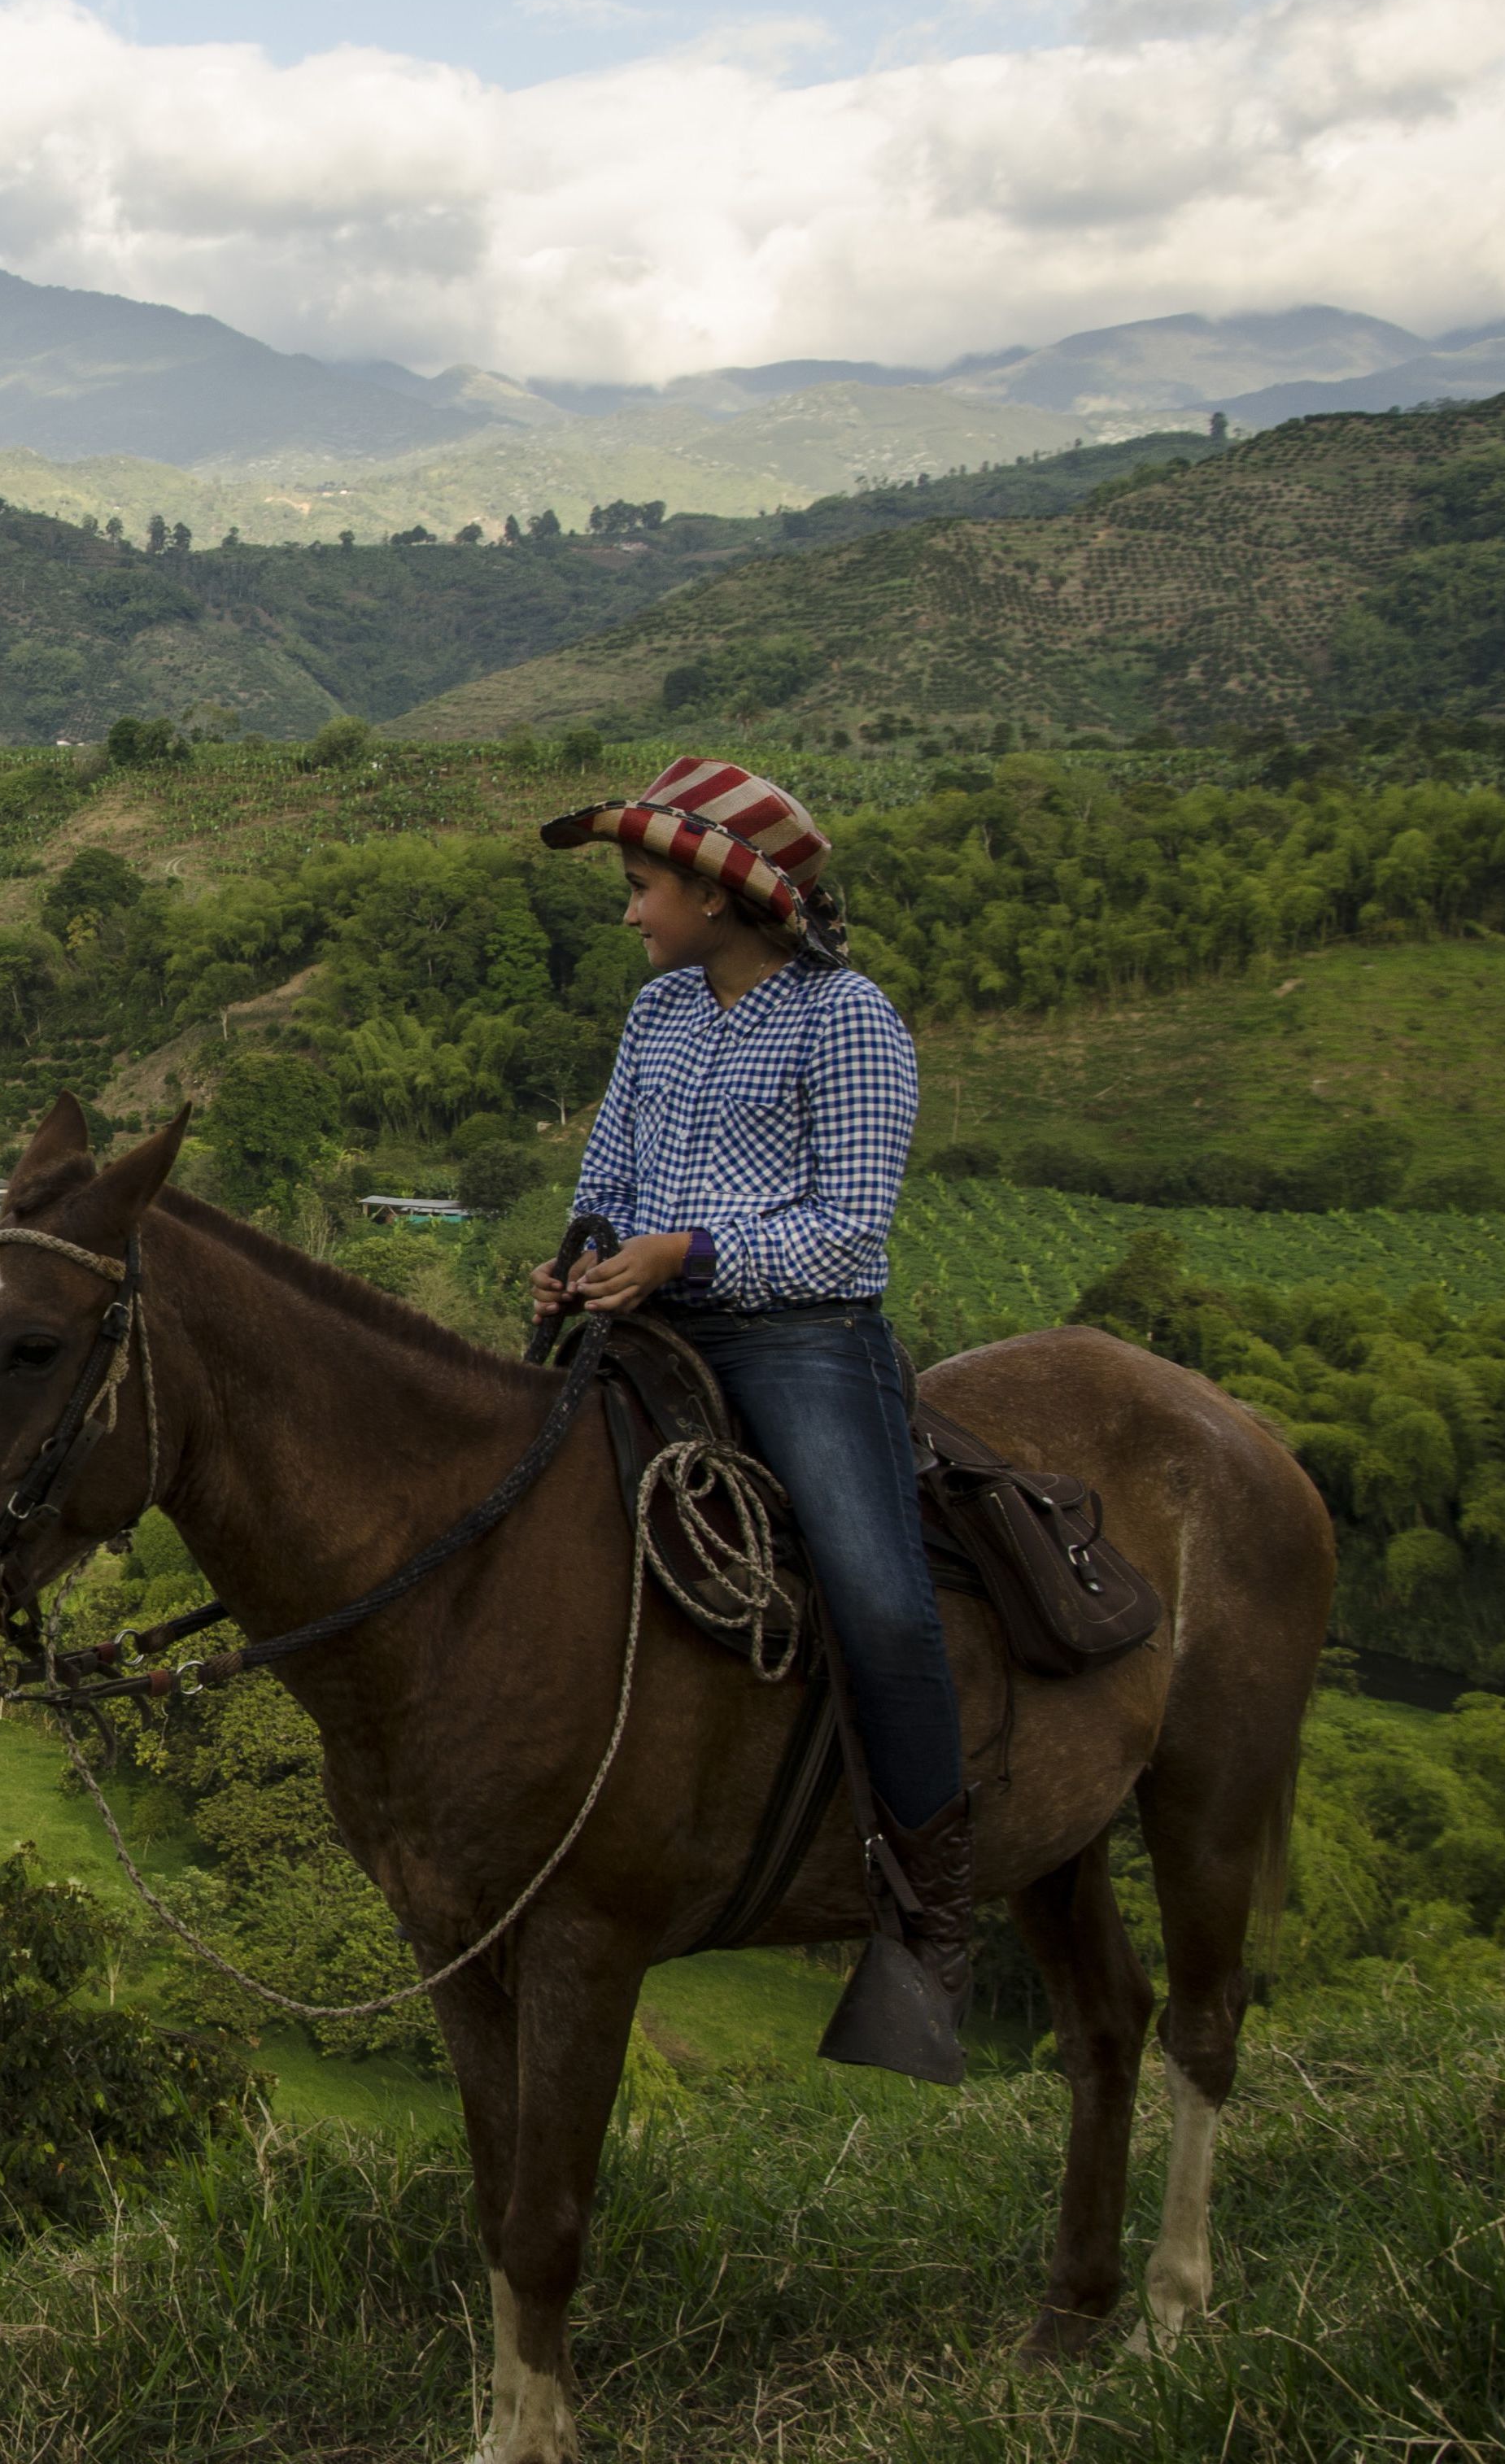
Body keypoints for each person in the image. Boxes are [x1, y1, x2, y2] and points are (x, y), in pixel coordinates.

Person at [530, 755, 972, 2083]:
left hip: (797, 1336)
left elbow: (850, 1235)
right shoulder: (659, 1015)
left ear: (721, 897)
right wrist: (583, 1255)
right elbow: (609, 1170)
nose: (629, 915)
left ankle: (933, 1910)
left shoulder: (850, 1022)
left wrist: (687, 1254)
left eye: (643, 887)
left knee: (879, 1595)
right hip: (642, 1313)